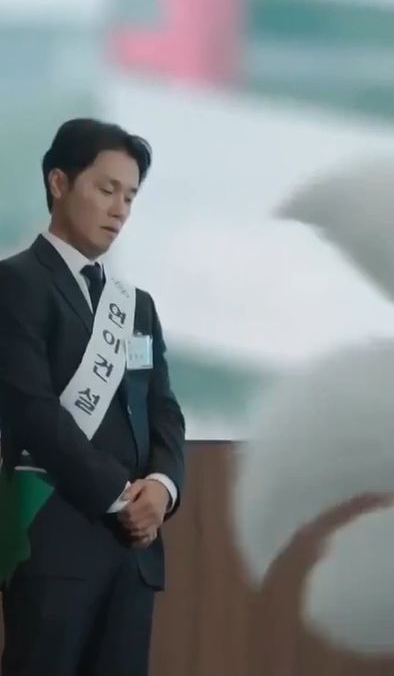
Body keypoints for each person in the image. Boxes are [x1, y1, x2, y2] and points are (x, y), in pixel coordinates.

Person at [0, 118, 187, 675]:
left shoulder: (137, 305)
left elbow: (163, 410)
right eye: (107, 189)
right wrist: (119, 495)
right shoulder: (16, 283)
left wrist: (162, 487)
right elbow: (31, 411)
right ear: (59, 183)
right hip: (52, 541)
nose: (120, 210)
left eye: (130, 196)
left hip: (132, 555)